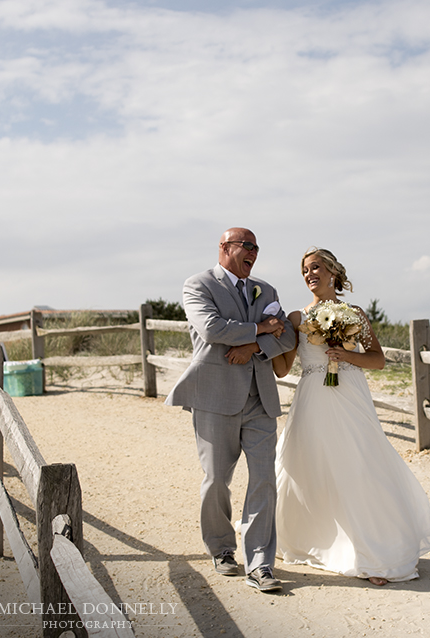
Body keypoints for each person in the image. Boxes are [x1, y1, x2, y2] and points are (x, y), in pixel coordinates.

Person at [272, 247, 430, 586]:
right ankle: (314, 540)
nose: (309, 274)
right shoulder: (296, 319)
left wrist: (345, 354)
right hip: (312, 398)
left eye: (315, 267)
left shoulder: (355, 313)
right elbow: (284, 370)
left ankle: (374, 554)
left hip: (349, 396)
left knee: (359, 466)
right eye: (304, 270)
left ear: (332, 272)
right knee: (308, 467)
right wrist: (272, 339)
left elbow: (377, 360)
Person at [165, 227, 297, 593]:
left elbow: (286, 336)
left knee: (264, 480)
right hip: (214, 397)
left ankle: (260, 564)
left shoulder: (266, 290)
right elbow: (210, 329)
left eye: (257, 247)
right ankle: (222, 548)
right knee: (216, 481)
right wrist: (259, 329)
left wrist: (253, 348)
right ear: (224, 248)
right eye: (247, 246)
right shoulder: (199, 285)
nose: (253, 252)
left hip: (260, 399)